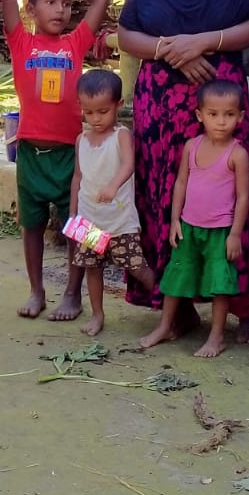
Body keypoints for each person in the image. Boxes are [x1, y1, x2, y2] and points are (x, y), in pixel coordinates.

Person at [114, 0, 249, 335]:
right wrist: (170, 49)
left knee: (226, 191)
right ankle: (173, 303)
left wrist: (203, 41)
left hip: (218, 98)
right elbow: (126, 32)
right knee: (164, 195)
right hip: (161, 102)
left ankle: (237, 299)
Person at [0, 0, 110, 321]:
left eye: (66, 4)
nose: (61, 10)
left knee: (77, 226)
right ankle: (36, 290)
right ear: (30, 9)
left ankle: (73, 293)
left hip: (69, 154)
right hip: (31, 152)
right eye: (50, 3)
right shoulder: (21, 42)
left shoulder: (75, 43)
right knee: (31, 225)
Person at [146, 80, 249, 358]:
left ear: (240, 117)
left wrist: (234, 234)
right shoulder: (192, 147)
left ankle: (216, 336)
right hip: (188, 227)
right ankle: (165, 326)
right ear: (199, 115)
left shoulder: (237, 154)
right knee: (176, 276)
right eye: (213, 114)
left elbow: (243, 197)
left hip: (220, 231)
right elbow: (181, 183)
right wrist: (175, 220)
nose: (221, 122)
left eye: (229, 115)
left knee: (220, 284)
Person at [65, 69, 153, 338]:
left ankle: (171, 307)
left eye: (103, 111)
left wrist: (114, 185)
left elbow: (129, 164)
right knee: (92, 268)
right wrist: (73, 214)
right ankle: (98, 315)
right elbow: (78, 177)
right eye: (89, 112)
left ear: (118, 105)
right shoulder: (81, 140)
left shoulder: (121, 136)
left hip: (119, 221)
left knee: (137, 267)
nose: (96, 119)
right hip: (89, 221)